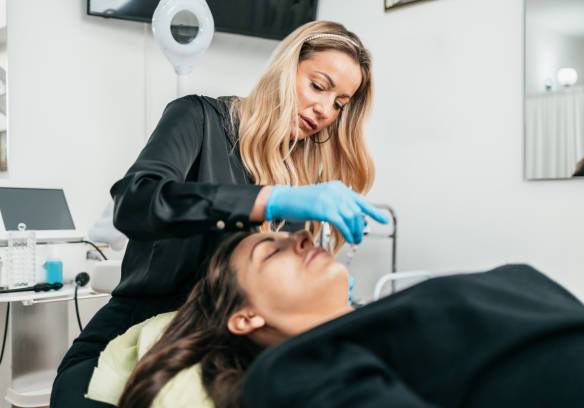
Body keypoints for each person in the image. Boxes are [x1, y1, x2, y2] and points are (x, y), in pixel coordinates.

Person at [51, 20, 389, 407]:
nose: (325, 110)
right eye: (318, 86)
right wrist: (267, 200)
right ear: (286, 70)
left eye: (340, 104)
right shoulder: (198, 118)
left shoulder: (303, 174)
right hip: (137, 328)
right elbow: (135, 203)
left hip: (229, 351)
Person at [86, 229, 584, 407]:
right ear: (244, 317)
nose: (302, 236)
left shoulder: (379, 322)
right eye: (271, 251)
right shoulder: (291, 369)